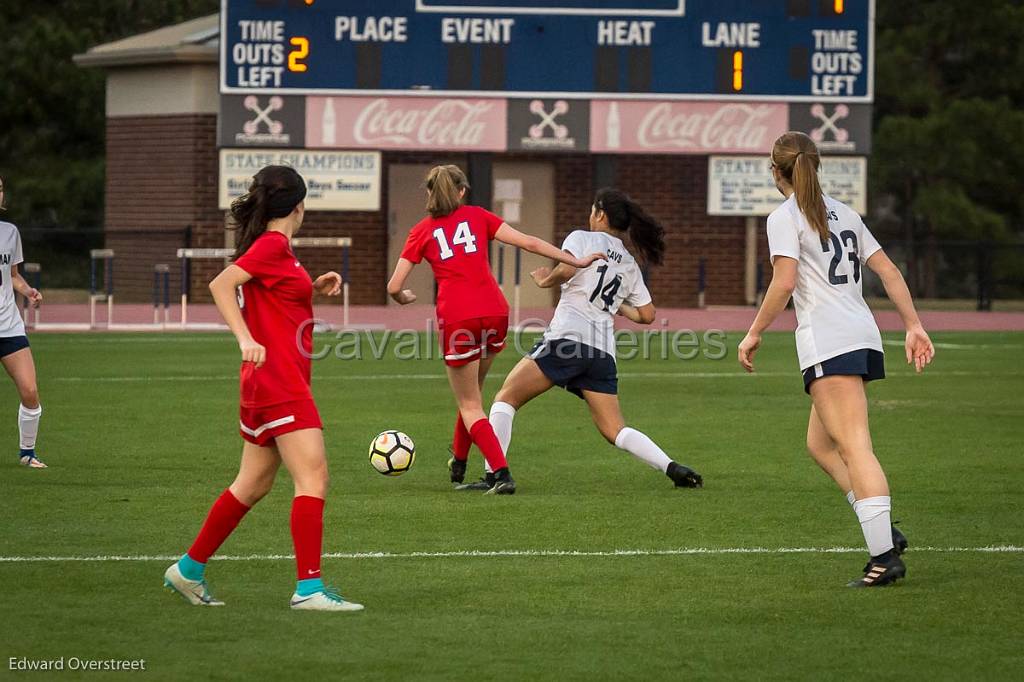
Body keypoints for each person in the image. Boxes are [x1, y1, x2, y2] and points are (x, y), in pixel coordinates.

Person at [737, 132, 934, 588]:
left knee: (854, 446)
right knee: (821, 445)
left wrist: (753, 333)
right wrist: (913, 324)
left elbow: (784, 283)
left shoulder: (785, 217)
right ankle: (883, 529)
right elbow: (887, 269)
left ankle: (884, 556)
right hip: (859, 335)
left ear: (776, 171)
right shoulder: (844, 212)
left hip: (830, 341)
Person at [164, 165, 362, 611]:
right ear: (299, 205)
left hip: (267, 383)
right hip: (279, 382)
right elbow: (221, 283)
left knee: (252, 483)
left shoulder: (276, 250)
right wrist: (245, 338)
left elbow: (268, 296)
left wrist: (310, 287)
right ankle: (309, 590)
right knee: (314, 476)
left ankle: (188, 570)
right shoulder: (272, 246)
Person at [463, 188, 703, 491]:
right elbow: (647, 314)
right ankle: (673, 467)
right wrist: (615, 304)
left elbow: (565, 269)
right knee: (615, 429)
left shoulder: (582, 238)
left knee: (505, 399)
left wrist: (544, 280)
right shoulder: (628, 262)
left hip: (567, 340)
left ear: (600, 214)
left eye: (592, 210)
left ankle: (494, 476)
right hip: (602, 352)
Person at [387, 164, 607, 495]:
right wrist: (574, 261)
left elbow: (394, 285)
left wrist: (403, 297)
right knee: (472, 393)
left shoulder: (422, 230)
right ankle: (458, 462)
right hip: (494, 312)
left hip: (459, 318)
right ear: (462, 192)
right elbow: (529, 243)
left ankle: (501, 473)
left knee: (470, 403)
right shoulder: (477, 216)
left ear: (430, 193)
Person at [0, 177, 45, 468]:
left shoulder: (9, 232)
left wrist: (28, 291)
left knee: (30, 391)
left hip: (8, 325)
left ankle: (27, 453)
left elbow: (12, 275)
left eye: (0, 188)